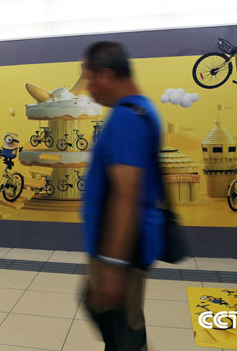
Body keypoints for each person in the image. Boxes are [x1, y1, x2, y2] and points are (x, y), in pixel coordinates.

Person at [81, 41, 165, 351]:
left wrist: (113, 265)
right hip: (131, 246)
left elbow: (126, 193)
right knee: (119, 327)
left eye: (87, 77)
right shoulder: (143, 110)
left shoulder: (125, 119)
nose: (87, 87)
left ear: (105, 74)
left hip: (121, 250)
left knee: (124, 332)